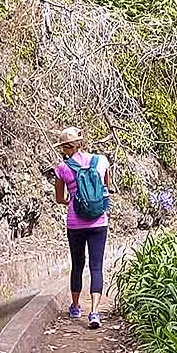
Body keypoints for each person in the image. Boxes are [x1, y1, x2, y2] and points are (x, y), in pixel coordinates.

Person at [52, 126, 112, 329]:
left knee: (78, 264)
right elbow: (107, 188)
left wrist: (69, 199)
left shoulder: (62, 168)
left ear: (65, 148)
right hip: (99, 222)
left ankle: (76, 307)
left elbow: (59, 198)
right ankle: (94, 312)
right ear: (81, 142)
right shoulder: (101, 160)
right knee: (96, 267)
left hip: (75, 224)